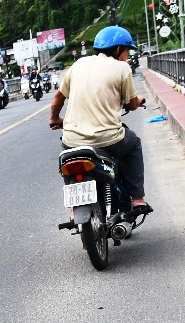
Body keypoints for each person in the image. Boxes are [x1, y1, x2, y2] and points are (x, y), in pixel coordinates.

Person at [49, 25, 151, 215]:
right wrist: (140, 100)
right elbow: (131, 104)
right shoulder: (122, 68)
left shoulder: (78, 65)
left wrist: (55, 119)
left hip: (73, 139)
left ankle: (74, 207)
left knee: (68, 159)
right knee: (134, 143)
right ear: (118, 49)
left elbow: (57, 99)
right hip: (109, 139)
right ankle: (137, 198)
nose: (127, 55)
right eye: (127, 50)